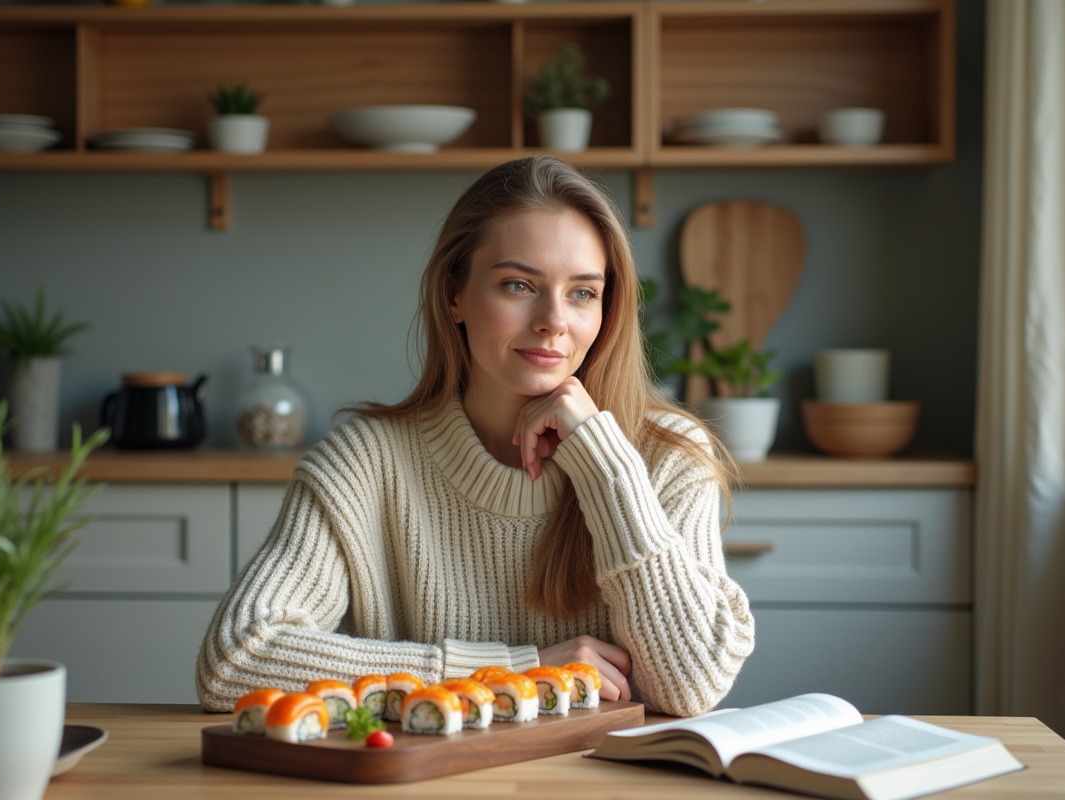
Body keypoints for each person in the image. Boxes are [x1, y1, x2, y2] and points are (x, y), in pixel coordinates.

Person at [196, 155, 754, 717]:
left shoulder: (664, 455)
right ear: (455, 296)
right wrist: (514, 673)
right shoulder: (365, 463)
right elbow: (236, 661)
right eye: (518, 285)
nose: (554, 320)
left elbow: (690, 687)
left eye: (583, 293)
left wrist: (606, 468)